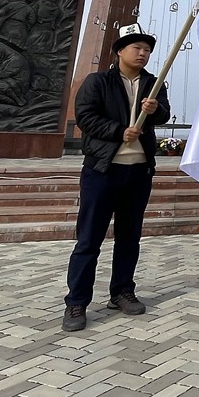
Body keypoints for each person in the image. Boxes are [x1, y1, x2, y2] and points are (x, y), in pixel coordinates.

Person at [63, 24, 171, 332]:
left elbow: (164, 114)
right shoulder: (98, 82)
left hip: (138, 171)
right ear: (120, 51)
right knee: (89, 239)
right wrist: (117, 131)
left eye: (147, 49)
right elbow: (85, 117)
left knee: (129, 237)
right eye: (136, 47)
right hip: (102, 171)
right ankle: (76, 302)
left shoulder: (154, 83)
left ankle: (122, 291)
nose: (142, 53)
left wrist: (154, 109)